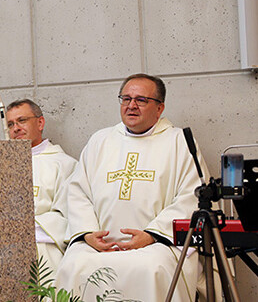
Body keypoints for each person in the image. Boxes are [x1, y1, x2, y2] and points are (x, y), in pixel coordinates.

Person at [55, 74, 205, 301]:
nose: (131, 105)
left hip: (158, 244)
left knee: (152, 268)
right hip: (101, 244)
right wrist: (88, 233)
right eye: (126, 99)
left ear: (159, 108)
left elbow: (191, 197)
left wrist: (152, 235)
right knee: (74, 264)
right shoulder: (100, 140)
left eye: (141, 100)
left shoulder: (179, 142)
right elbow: (78, 192)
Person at [5, 99, 76, 274]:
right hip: (4, 251)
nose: (16, 128)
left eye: (22, 120)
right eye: (10, 124)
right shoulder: (2, 165)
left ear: (40, 123)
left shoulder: (64, 164)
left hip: (44, 250)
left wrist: (24, 230)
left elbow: (68, 216)